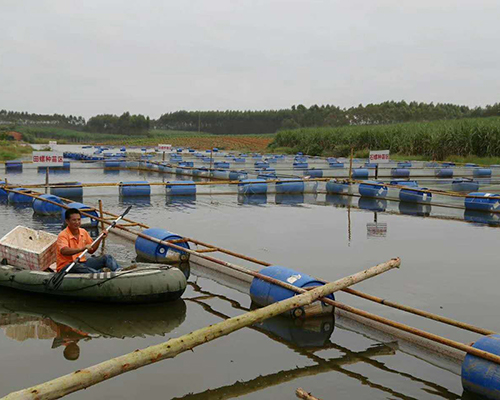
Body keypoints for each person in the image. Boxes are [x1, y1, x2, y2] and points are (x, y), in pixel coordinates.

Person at [56, 208, 122, 273]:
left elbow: (91, 250)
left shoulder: (83, 232)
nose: (77, 222)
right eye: (74, 220)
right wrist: (81, 249)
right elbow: (64, 251)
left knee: (107, 257)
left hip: (82, 263)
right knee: (77, 266)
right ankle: (99, 274)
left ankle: (119, 272)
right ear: (67, 221)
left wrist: (100, 238)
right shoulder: (63, 235)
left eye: (79, 220)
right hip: (67, 267)